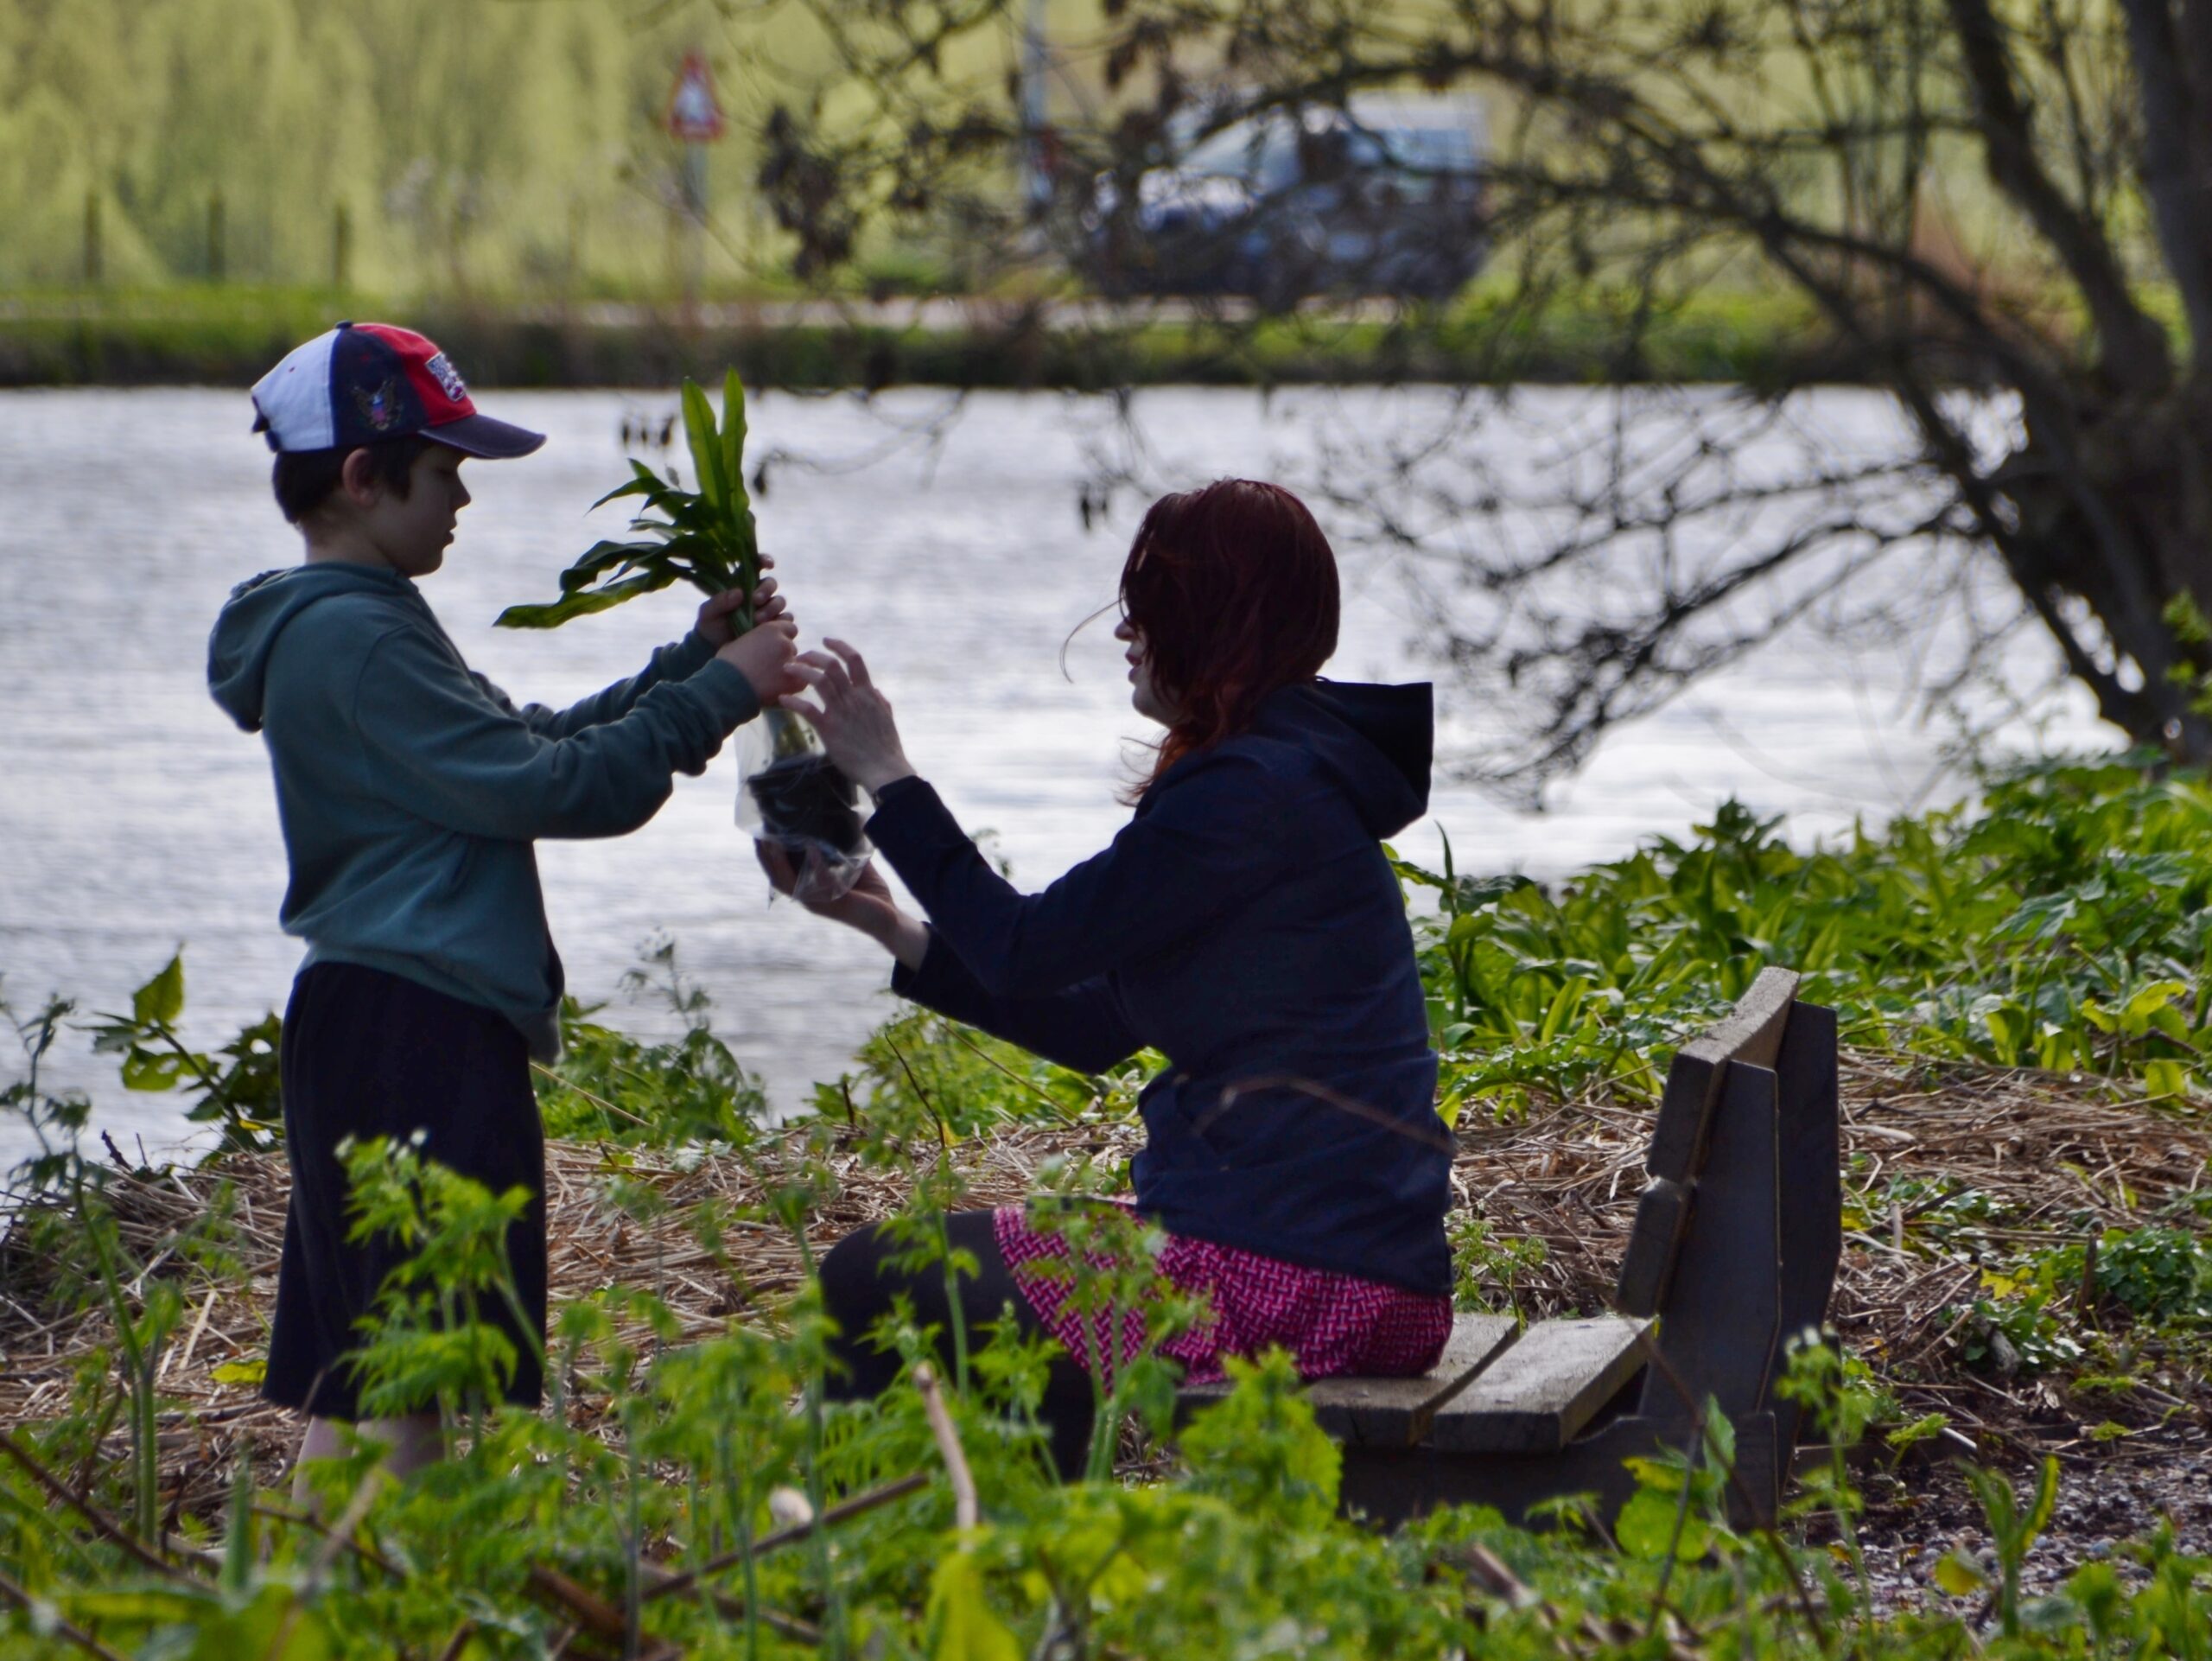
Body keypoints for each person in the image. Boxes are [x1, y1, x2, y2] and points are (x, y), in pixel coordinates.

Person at [207, 322, 803, 1497]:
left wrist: (690, 667)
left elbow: (520, 739)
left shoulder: (356, 619)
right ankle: (408, 1607)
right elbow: (558, 787)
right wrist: (724, 699)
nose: (464, 495)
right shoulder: (355, 638)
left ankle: (313, 1611)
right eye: (442, 470)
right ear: (363, 479)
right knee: (417, 1376)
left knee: (365, 1374)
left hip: (376, 1021)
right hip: (413, 1033)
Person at [760, 478, 1454, 1479]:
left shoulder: (1250, 795)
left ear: (1214, 619)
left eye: (1152, 603)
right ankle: (1035, 1559)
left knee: (874, 1273)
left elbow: (1025, 946)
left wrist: (891, 778)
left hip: (1297, 1282)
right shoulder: (1280, 780)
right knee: (1016, 1300)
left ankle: (876, 1580)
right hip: (1345, 1270)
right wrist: (882, 920)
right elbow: (1093, 1025)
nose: (1127, 630)